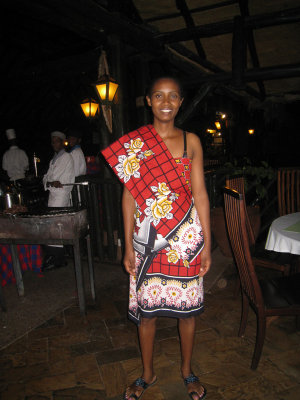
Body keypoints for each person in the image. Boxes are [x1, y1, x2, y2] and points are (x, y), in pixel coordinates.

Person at [101, 77, 211, 400]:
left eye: (173, 96)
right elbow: (128, 199)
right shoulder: (135, 142)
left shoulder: (192, 141)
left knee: (187, 312)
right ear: (148, 101)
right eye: (159, 96)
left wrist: (205, 242)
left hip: (185, 239)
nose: (166, 101)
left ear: (180, 102)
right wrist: (125, 246)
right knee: (146, 314)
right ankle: (147, 374)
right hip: (146, 241)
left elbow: (201, 194)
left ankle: (187, 370)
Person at [42, 130, 75, 270]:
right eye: (52, 141)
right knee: (54, 226)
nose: (53, 143)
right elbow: (46, 178)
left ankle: (56, 257)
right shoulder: (53, 160)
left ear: (62, 142)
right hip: (53, 195)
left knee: (56, 225)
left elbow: (57, 179)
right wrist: (50, 182)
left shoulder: (66, 157)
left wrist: (50, 182)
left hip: (61, 195)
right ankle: (57, 257)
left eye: (56, 141)